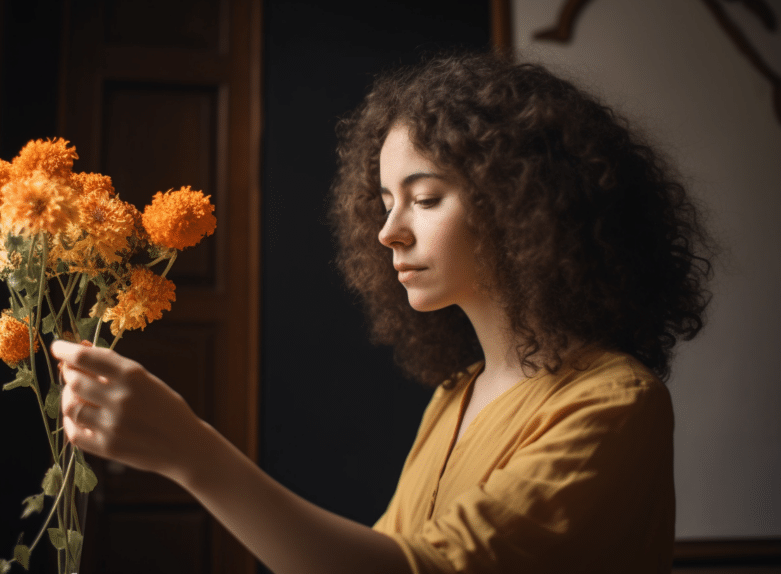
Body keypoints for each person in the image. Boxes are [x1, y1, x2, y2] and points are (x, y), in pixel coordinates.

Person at [51, 52, 715, 573]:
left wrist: (193, 453)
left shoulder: (616, 405)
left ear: (522, 205)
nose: (387, 231)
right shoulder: (455, 396)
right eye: (384, 201)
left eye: (424, 198)